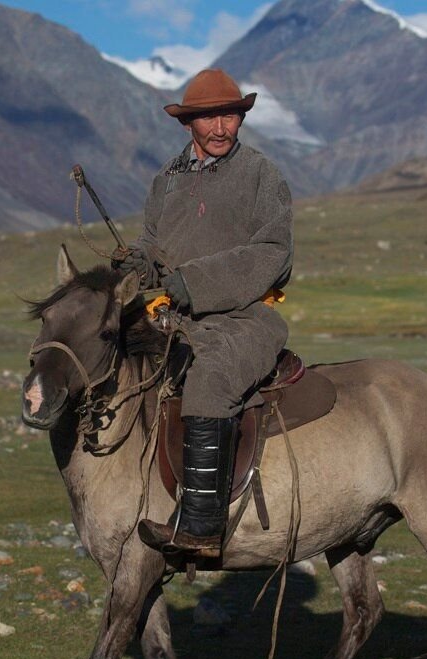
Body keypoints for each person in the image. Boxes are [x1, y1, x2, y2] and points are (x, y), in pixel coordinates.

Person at [113, 68, 294, 556]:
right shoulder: (166, 180)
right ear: (188, 122)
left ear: (241, 118)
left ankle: (200, 525)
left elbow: (273, 253)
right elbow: (154, 242)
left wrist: (193, 284)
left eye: (230, 115)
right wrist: (140, 260)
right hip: (174, 319)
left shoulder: (261, 175)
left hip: (244, 320)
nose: (220, 128)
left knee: (210, 381)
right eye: (209, 117)